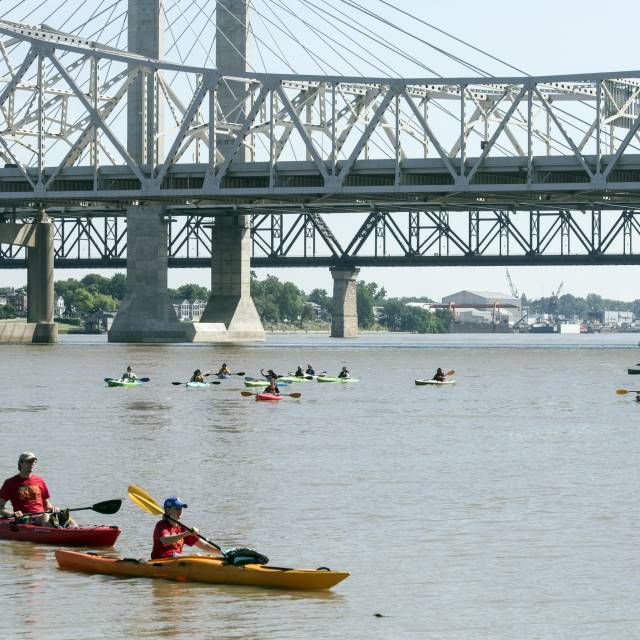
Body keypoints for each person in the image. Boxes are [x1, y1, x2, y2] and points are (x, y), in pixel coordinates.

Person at [0, 452, 68, 527]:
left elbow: (46, 504)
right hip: (23, 518)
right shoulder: (10, 483)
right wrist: (12, 514)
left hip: (41, 516)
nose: (32, 464)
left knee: (65, 515)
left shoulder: (40, 481)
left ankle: (73, 529)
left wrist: (54, 509)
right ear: (20, 463)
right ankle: (58, 530)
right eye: (29, 461)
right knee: (45, 516)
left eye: (33, 461)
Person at [151, 496, 221, 560]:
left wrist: (221, 551)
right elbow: (165, 541)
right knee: (195, 557)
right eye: (177, 508)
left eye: (181, 508)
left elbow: (204, 545)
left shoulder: (182, 528)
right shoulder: (161, 525)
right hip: (161, 561)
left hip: (176, 560)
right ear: (167, 510)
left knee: (199, 556)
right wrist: (185, 534)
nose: (180, 511)